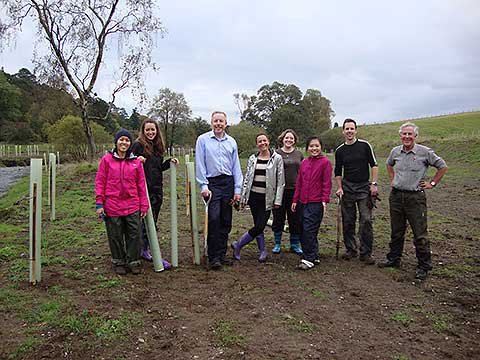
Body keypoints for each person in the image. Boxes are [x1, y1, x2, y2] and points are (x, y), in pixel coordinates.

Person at [378, 122, 447, 280]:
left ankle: (424, 266)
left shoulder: (425, 152)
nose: (407, 137)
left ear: (416, 136)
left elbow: (442, 166)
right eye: (404, 134)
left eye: (410, 134)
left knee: (419, 233)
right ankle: (393, 259)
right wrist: (392, 179)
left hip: (415, 198)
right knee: (396, 231)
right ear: (400, 135)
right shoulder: (395, 151)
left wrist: (432, 183)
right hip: (396, 196)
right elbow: (389, 165)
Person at [95, 129, 149, 275]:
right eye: (121, 140)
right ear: (116, 142)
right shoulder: (106, 160)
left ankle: (133, 261)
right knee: (115, 234)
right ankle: (118, 261)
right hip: (112, 205)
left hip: (132, 205)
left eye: (127, 140)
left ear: (130, 143)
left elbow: (141, 185)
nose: (124, 142)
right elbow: (100, 182)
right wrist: (99, 203)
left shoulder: (136, 162)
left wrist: (144, 205)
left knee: (134, 234)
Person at [195, 111, 243, 270]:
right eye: (215, 121)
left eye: (221, 121)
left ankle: (222, 254)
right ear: (211, 123)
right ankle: (213, 255)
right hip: (212, 184)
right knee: (214, 218)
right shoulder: (203, 140)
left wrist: (237, 189)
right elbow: (200, 164)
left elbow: (236, 166)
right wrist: (203, 186)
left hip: (228, 183)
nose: (218, 124)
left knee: (225, 220)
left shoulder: (232, 142)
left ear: (226, 123)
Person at [131, 118, 178, 269]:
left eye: (153, 130)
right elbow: (128, 163)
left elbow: (157, 167)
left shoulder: (158, 147)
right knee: (143, 221)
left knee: (153, 220)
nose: (150, 132)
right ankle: (138, 250)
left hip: (157, 189)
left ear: (157, 131)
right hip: (143, 189)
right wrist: (137, 160)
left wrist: (169, 162)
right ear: (143, 131)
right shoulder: (138, 145)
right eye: (147, 130)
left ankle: (144, 249)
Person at [231, 133, 285, 262]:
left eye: (264, 140)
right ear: (257, 144)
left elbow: (280, 181)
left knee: (260, 226)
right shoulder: (252, 158)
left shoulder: (277, 158)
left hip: (267, 198)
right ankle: (262, 251)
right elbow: (247, 178)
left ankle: (238, 245)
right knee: (257, 224)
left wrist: (277, 200)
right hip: (254, 196)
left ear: (268, 141)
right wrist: (244, 197)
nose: (262, 143)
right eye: (259, 141)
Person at [334, 118, 378, 264]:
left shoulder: (365, 146)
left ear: (356, 130)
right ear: (343, 131)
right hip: (347, 188)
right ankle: (351, 249)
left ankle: (366, 253)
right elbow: (338, 172)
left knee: (366, 220)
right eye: (347, 129)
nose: (349, 131)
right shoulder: (340, 150)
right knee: (348, 220)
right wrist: (340, 187)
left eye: (352, 128)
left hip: (364, 188)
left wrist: (374, 184)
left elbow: (374, 165)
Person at [292, 136, 332, 270]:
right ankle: (312, 254)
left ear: (321, 147)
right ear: (307, 148)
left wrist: (324, 200)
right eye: (311, 146)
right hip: (302, 201)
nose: (314, 148)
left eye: (317, 146)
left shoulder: (325, 163)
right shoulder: (304, 163)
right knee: (303, 228)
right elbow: (299, 183)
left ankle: (308, 259)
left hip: (315, 202)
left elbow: (327, 183)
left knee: (309, 229)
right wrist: (295, 200)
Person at [271, 129, 303, 255]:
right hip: (279, 191)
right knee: (278, 217)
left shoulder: (299, 154)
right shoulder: (276, 153)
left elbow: (303, 172)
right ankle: (277, 243)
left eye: (291, 138)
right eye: (286, 138)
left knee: (294, 218)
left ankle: (294, 244)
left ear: (294, 140)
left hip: (295, 191)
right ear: (282, 139)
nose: (289, 140)